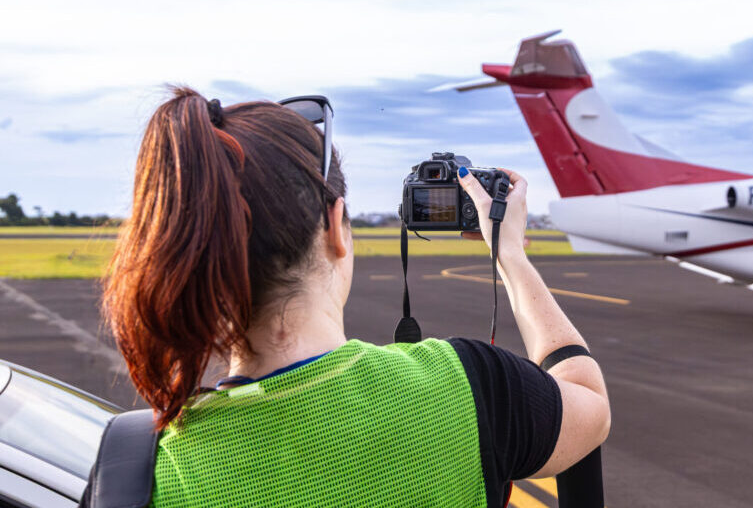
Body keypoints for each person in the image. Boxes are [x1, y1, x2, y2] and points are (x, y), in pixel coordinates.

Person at [87, 87, 610, 507]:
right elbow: (589, 403)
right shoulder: (468, 384)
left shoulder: (138, 471)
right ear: (336, 227)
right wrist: (510, 255)